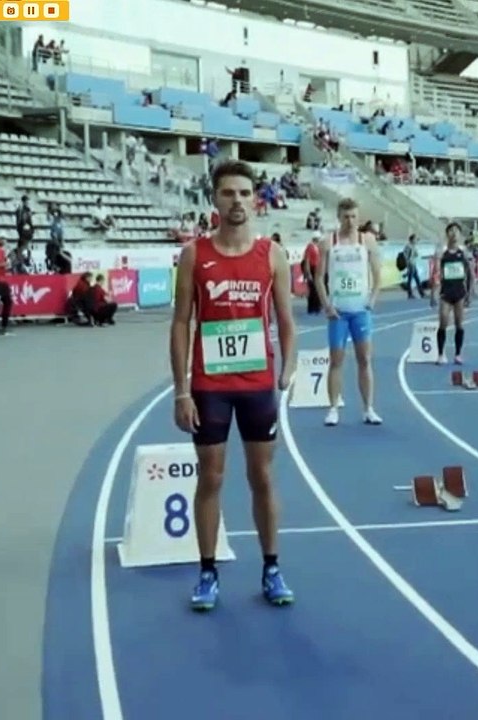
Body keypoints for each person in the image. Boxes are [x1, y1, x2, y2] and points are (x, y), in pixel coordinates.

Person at [170, 160, 297, 612]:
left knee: (261, 476)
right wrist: (181, 390)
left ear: (255, 199)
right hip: (210, 386)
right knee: (211, 477)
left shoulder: (272, 255)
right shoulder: (194, 254)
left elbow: (286, 320)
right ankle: (207, 572)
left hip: (257, 384)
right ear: (215, 200)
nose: (237, 200)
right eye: (228, 193)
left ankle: (272, 567)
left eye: (244, 192)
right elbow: (181, 322)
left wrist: (289, 367)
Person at [313, 198, 383, 427]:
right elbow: (318, 278)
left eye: (354, 216)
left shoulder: (367, 240)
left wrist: (372, 300)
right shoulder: (328, 242)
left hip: (360, 311)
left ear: (358, 217)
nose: (350, 221)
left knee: (365, 359)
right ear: (338, 217)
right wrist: (327, 305)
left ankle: (368, 409)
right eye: (346, 217)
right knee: (336, 361)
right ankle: (333, 408)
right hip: (339, 313)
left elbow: (377, 275)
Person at [431, 222, 474, 365]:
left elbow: (471, 274)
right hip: (446, 293)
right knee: (443, 322)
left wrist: (470, 293)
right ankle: (440, 354)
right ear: (447, 234)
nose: (454, 234)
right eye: (451, 231)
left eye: (456, 231)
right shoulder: (442, 253)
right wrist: (433, 294)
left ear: (460, 235)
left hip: (460, 293)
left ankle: (458, 354)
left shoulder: (464, 253)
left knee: (459, 324)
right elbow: (436, 274)